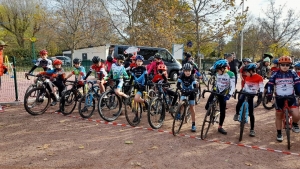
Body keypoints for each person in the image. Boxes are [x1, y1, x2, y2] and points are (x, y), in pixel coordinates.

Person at [266, 56, 300, 142]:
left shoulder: (293, 73)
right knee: (279, 115)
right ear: (279, 65)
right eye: (283, 65)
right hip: (279, 98)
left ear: (290, 65)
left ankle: (295, 124)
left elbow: (298, 84)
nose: (285, 66)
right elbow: (270, 84)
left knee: (297, 115)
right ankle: (279, 133)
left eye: (287, 65)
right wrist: (269, 94)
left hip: (291, 97)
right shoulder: (275, 74)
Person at [205, 59, 235, 135]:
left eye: (218, 70)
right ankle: (210, 111)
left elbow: (233, 86)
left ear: (223, 68)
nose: (217, 72)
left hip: (224, 93)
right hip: (217, 90)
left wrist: (229, 95)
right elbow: (216, 82)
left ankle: (220, 127)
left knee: (222, 111)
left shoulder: (231, 74)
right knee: (207, 106)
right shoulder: (217, 73)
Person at [233, 63, 263, 137]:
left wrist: (260, 93)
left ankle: (252, 129)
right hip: (245, 92)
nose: (245, 73)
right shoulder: (247, 77)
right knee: (239, 102)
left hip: (252, 94)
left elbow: (261, 87)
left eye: (246, 72)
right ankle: (237, 114)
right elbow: (245, 86)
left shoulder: (259, 77)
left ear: (252, 71)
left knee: (251, 113)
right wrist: (241, 91)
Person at [177, 63, 197, 132]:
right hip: (184, 91)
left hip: (191, 93)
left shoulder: (192, 77)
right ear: (183, 71)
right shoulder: (181, 76)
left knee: (192, 108)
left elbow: (195, 87)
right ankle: (179, 113)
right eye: (186, 71)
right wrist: (181, 89)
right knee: (180, 103)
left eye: (189, 71)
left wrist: (193, 90)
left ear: (191, 71)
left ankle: (193, 124)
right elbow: (178, 85)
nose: (188, 72)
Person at [0, 40, 8, 112]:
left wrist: (5, 68)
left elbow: (1, 63)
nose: (3, 48)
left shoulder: (1, 53)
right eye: (2, 46)